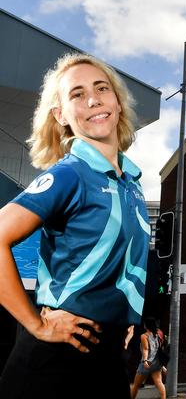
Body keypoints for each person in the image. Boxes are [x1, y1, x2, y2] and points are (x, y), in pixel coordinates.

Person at [0, 53, 150, 399]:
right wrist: (36, 324)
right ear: (61, 116)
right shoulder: (70, 174)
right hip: (56, 361)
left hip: (108, 358)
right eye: (77, 94)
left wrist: (132, 324)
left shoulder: (132, 183)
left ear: (117, 101)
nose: (93, 99)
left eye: (101, 88)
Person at [131, 317, 166, 399]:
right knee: (159, 383)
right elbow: (159, 350)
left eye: (144, 324)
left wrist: (145, 361)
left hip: (147, 363)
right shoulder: (159, 334)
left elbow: (145, 349)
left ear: (146, 325)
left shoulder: (144, 336)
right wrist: (162, 365)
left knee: (136, 385)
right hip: (157, 363)